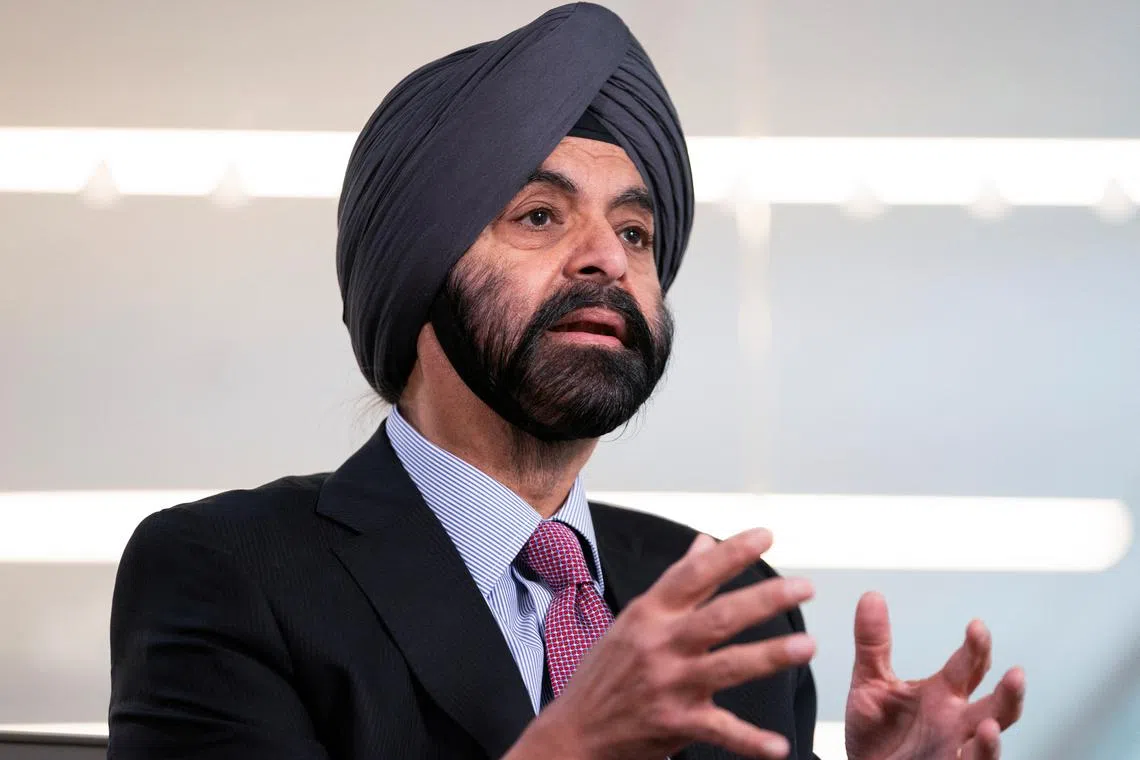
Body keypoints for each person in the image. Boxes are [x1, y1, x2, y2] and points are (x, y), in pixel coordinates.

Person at [107, 4, 1025, 759]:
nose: (608, 261)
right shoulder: (232, 573)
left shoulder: (721, 614)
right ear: (418, 276)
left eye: (635, 233)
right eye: (541, 216)